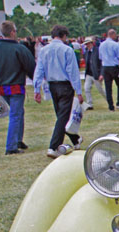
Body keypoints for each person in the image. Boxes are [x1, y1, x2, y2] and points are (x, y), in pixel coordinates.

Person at [0, 22, 35, 154]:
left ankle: (18, 139)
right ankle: (11, 146)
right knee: (15, 115)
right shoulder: (20, 48)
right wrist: (36, 80)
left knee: (18, 113)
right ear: (12, 32)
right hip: (16, 87)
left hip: (2, 87)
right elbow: (31, 67)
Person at [33, 25, 84, 159]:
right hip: (65, 85)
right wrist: (78, 91)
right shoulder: (67, 50)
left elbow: (39, 70)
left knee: (61, 116)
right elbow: (73, 72)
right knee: (63, 116)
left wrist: (36, 88)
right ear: (64, 36)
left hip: (52, 85)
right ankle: (54, 146)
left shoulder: (44, 50)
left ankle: (75, 139)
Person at [99, 29, 119, 112]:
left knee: (108, 87)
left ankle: (110, 106)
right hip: (114, 66)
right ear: (112, 35)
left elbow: (100, 57)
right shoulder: (115, 45)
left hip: (105, 67)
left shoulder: (101, 45)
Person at [83, 37, 105, 110]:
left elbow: (102, 63)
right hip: (89, 74)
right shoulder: (86, 52)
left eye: (88, 44)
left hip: (96, 74)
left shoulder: (97, 51)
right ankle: (90, 104)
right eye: (86, 44)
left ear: (92, 43)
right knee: (86, 88)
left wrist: (101, 74)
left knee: (100, 90)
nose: (87, 45)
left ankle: (109, 101)